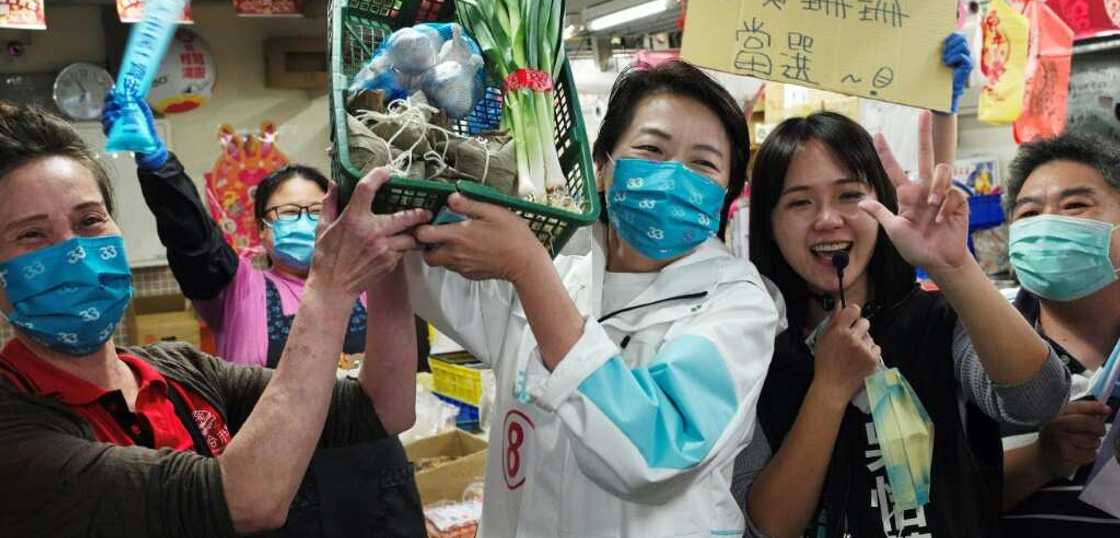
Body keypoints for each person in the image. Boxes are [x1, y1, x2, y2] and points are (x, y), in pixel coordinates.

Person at [0, 102, 429, 537]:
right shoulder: (15, 429)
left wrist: (388, 252)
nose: (74, 251)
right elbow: (245, 500)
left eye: (89, 220)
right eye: (32, 234)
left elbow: (383, 407)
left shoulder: (178, 372)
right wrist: (332, 287)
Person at [405, 61, 780, 536]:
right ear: (602, 166)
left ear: (725, 193)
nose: (672, 176)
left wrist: (529, 271)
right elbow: (424, 270)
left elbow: (654, 454)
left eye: (702, 164)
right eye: (651, 149)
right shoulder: (563, 260)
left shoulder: (736, 306)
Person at [736, 109, 1070, 538]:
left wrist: (954, 266)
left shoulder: (938, 321)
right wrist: (830, 388)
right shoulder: (754, 349)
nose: (827, 219)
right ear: (768, 222)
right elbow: (766, 527)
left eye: (849, 195)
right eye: (799, 202)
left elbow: (1039, 402)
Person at [101, 91, 428, 369]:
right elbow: (195, 243)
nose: (305, 222)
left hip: (373, 443)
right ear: (263, 229)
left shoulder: (370, 282)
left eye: (317, 212)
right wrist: (158, 165)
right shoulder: (239, 290)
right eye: (288, 213)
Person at [1001, 132, 1120, 536]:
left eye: (1074, 206)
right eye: (1029, 214)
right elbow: (933, 504)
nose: (1049, 224)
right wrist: (1039, 460)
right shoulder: (974, 352)